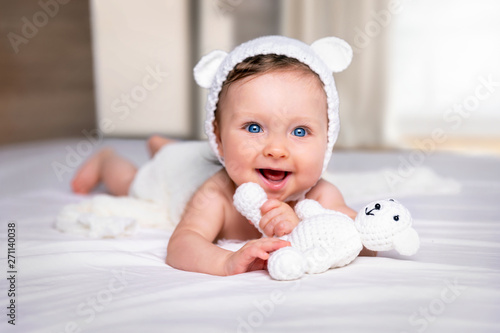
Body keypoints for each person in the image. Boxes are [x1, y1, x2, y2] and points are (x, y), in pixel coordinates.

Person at [71, 35, 372, 276]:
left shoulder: (319, 194)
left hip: (194, 155)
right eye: (254, 127)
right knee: (132, 182)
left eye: (300, 131)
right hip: (172, 176)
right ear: (217, 136)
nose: (277, 150)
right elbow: (182, 244)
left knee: (177, 152)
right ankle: (108, 159)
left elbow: (361, 237)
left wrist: (309, 226)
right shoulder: (217, 193)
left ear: (329, 137)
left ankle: (163, 145)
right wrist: (227, 261)